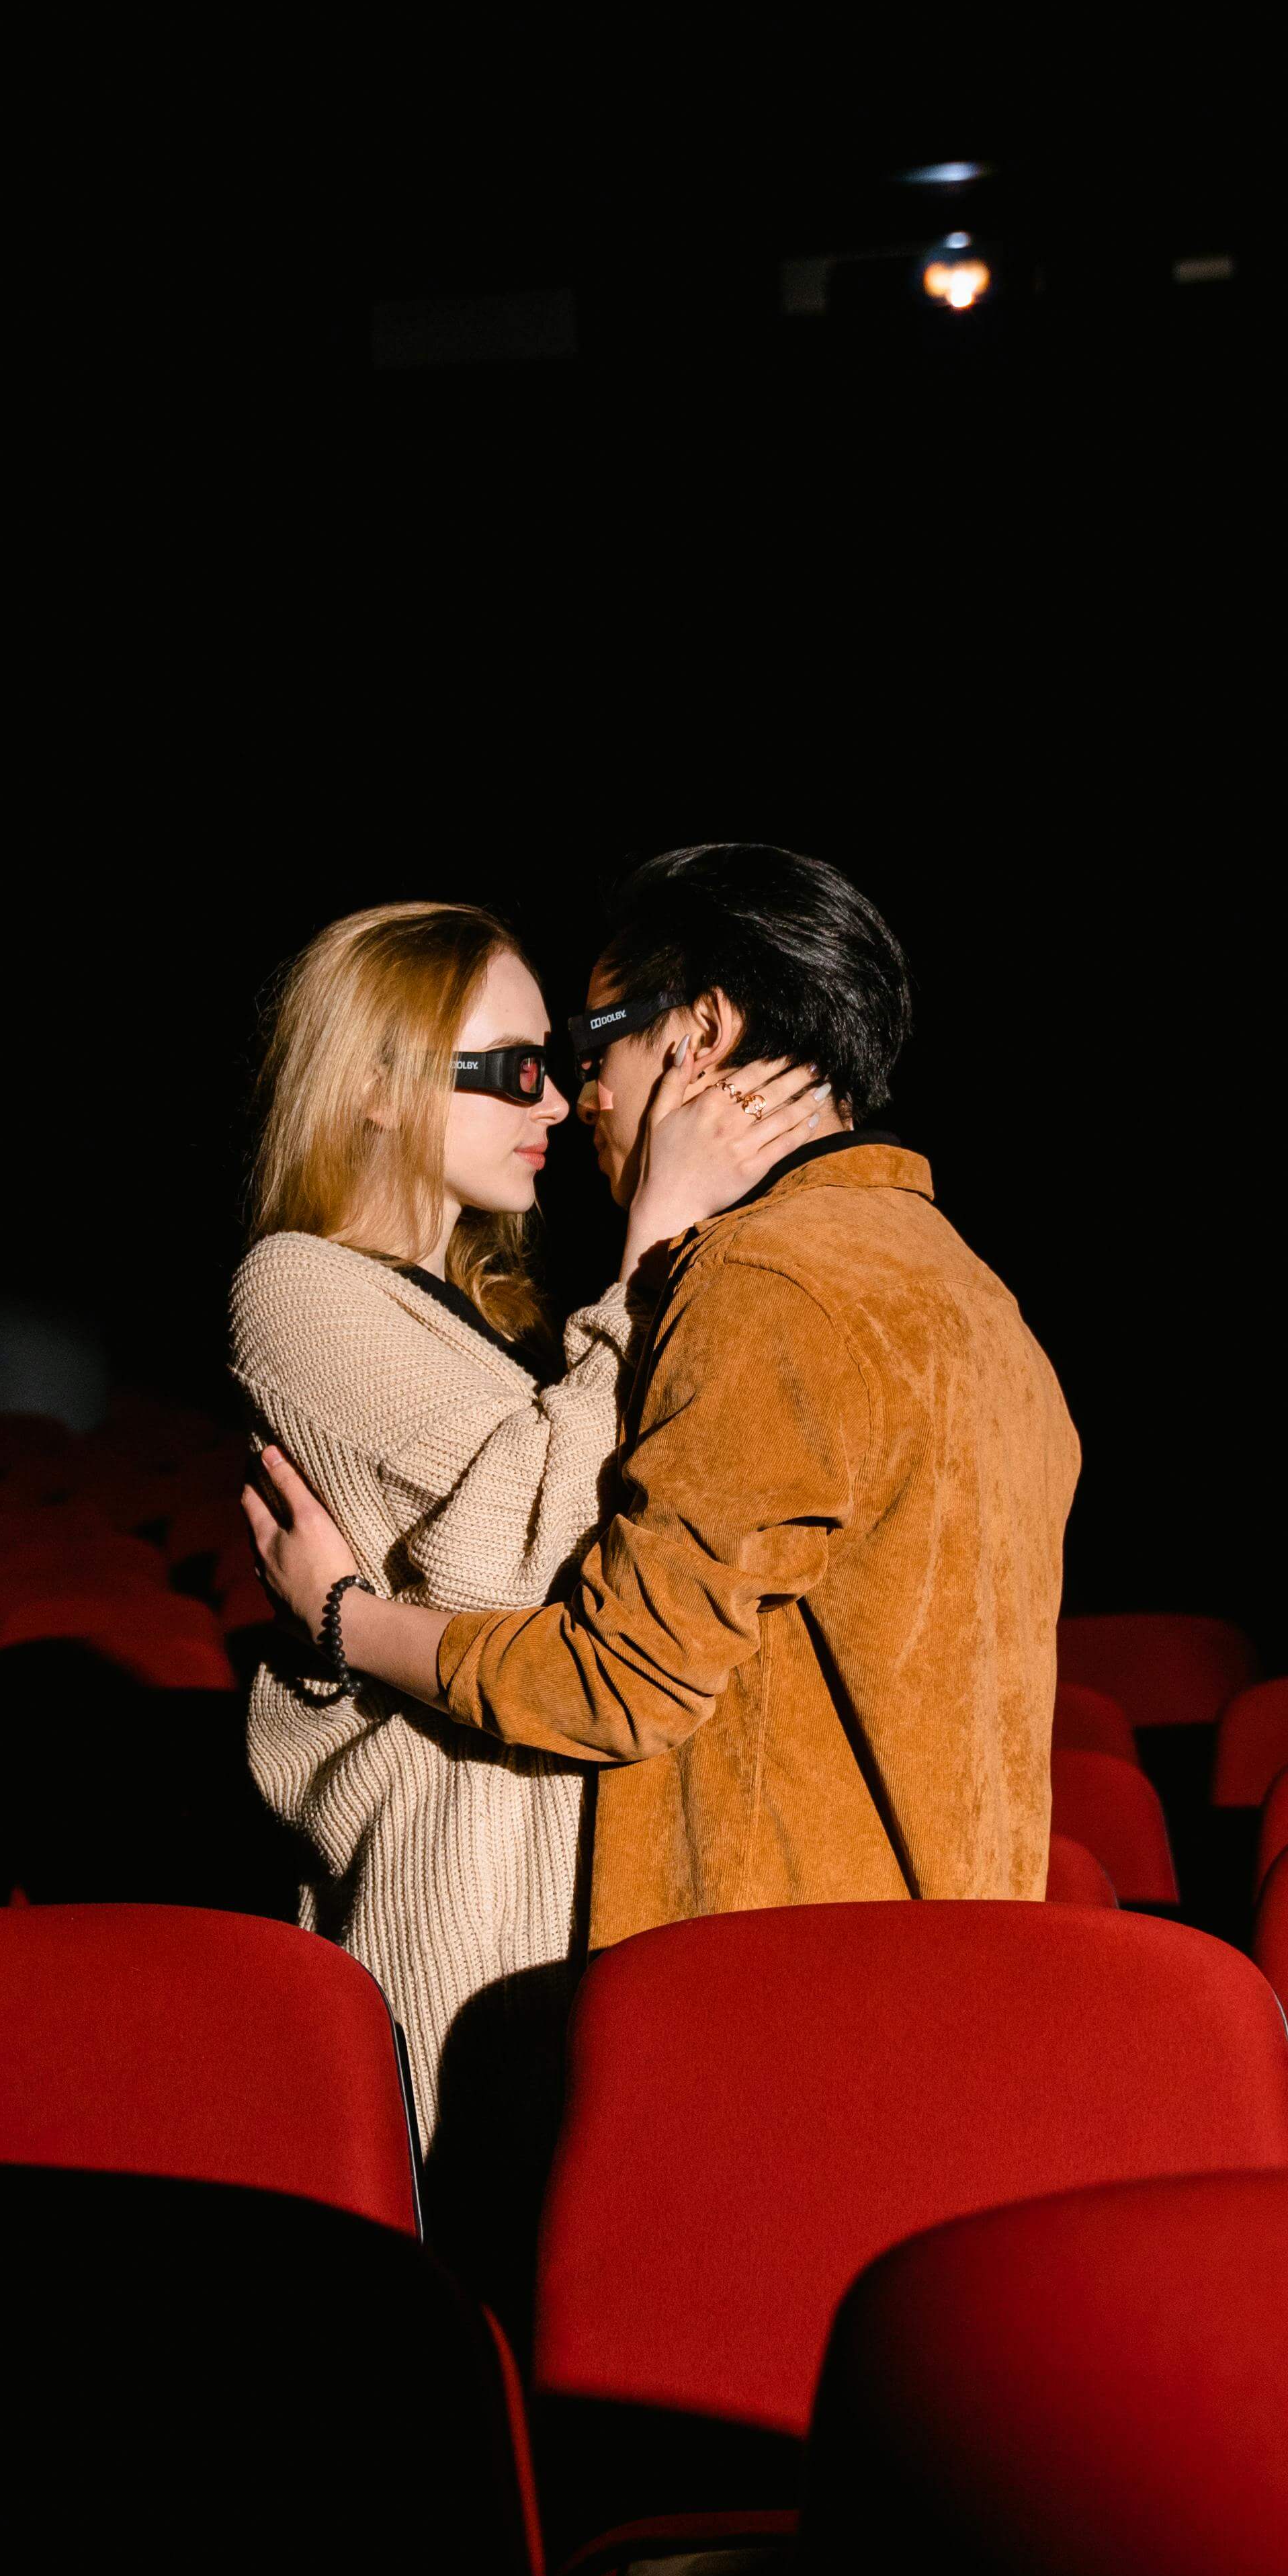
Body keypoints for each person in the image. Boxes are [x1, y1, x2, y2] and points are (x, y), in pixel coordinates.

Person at [243, 845, 1080, 1951]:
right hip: (929, 1962)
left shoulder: (761, 1281)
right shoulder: (975, 1293)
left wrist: (345, 1619)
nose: (575, 1095)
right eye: (522, 1068)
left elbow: (613, 1676)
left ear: (699, 1036)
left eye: (589, 1045)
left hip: (769, 1979)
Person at [230, 901, 832, 2152]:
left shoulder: (494, 1316)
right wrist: (652, 1247)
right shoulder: (294, 1284)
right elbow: (514, 1565)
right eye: (512, 1072)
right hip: (462, 1913)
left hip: (576, 1905)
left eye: (551, 1069)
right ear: (378, 1085)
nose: (557, 1102)